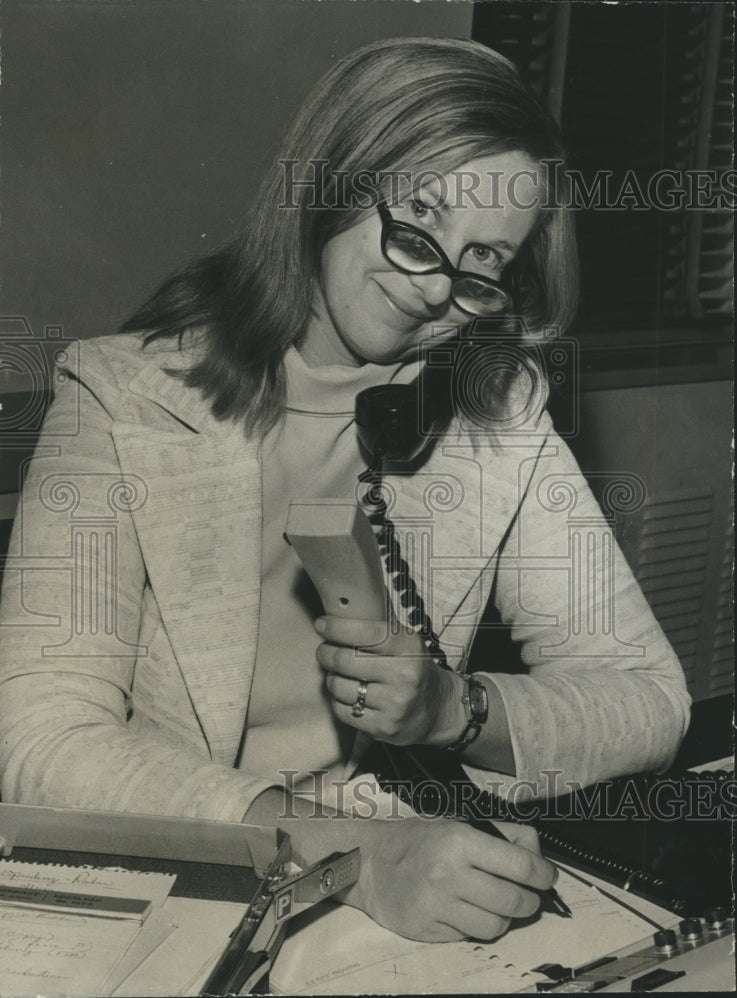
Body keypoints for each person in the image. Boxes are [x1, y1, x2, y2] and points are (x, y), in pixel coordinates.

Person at [0, 37, 689, 944]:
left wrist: (451, 710)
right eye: (418, 220)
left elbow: (648, 699)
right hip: (194, 873)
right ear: (333, 178)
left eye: (480, 261)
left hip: (399, 868)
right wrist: (356, 854)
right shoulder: (122, 398)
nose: (432, 287)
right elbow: (41, 741)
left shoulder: (494, 406)